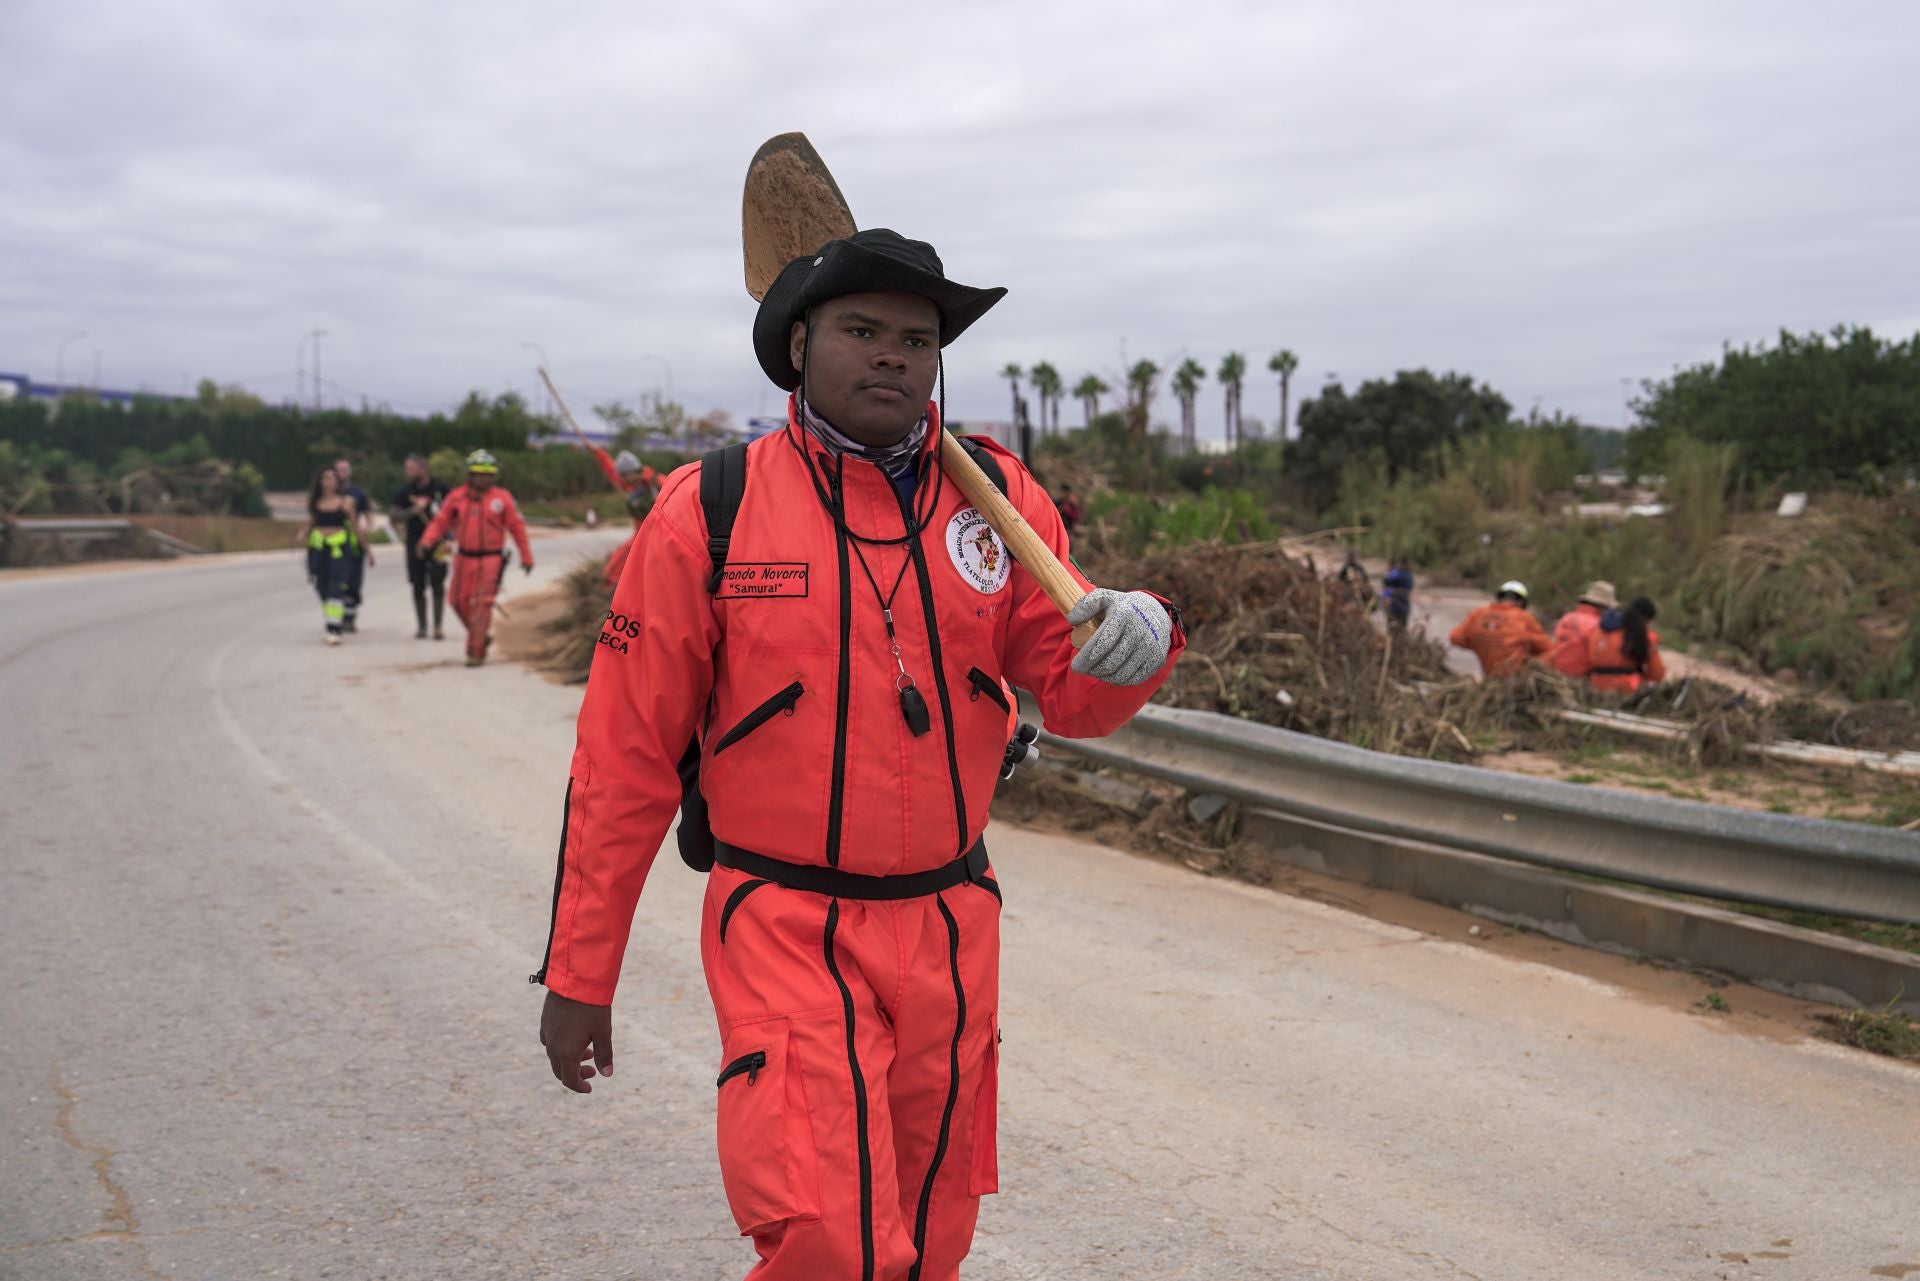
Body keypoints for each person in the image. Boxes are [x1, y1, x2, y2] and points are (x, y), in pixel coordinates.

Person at [532, 228, 1185, 1281]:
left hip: (951, 928)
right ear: (798, 347)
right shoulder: (712, 509)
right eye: (862, 330)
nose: (893, 357)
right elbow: (625, 762)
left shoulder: (998, 503)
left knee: (932, 1244)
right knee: (829, 1241)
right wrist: (580, 970)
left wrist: (1133, 649)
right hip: (783, 922)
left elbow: (1066, 695)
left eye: (918, 340)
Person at [416, 450, 533, 667]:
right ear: (470, 474)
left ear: (493, 476)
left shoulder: (502, 498)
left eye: (487, 474)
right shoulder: (457, 497)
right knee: (457, 601)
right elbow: (440, 521)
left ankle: (475, 651)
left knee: (482, 605)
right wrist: (426, 542)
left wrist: (526, 556)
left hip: (491, 559)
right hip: (463, 558)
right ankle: (479, 634)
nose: (483, 478)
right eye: (478, 474)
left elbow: (517, 527)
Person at [293, 464, 372, 645]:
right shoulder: (316, 503)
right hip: (319, 548)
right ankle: (331, 619)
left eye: (332, 478)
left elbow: (355, 527)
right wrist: (302, 532)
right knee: (321, 586)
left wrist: (367, 550)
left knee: (336, 587)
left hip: (339, 549)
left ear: (338, 482)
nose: (329, 482)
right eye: (325, 478)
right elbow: (312, 521)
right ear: (320, 482)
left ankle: (334, 627)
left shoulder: (346, 503)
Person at [389, 454, 452, 640]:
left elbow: (455, 513)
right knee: (417, 583)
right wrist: (412, 511)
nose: (407, 472)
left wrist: (450, 537)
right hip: (414, 543)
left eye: (411, 468)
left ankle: (438, 626)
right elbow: (394, 514)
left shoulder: (440, 489)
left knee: (437, 580)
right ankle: (422, 626)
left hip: (439, 542)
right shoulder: (405, 491)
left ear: (423, 469)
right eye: (406, 468)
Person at [1449, 579, 1551, 677]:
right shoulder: (1523, 617)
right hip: (1518, 681)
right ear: (1522, 602)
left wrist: (1481, 643)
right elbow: (1549, 649)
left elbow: (1455, 637)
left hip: (1490, 678)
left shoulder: (1478, 613)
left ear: (1499, 598)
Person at [1587, 596, 1667, 694]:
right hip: (1626, 688)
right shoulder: (1643, 637)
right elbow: (1657, 675)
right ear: (1646, 619)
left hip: (1595, 686)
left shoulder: (1598, 631)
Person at [332, 457, 374, 633]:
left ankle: (350, 617)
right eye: (338, 470)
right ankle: (337, 616)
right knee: (336, 580)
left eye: (345, 469)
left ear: (350, 472)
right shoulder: (328, 492)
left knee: (354, 580)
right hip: (334, 543)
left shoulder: (358, 493)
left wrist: (367, 528)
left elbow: (368, 514)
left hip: (354, 542)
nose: (342, 473)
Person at [1550, 580, 1617, 679]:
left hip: (1557, 675)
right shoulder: (1598, 626)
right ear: (1602, 606)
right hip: (1582, 678)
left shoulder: (1566, 618)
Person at [1380, 560, 1414, 633]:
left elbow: (1387, 581)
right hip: (1405, 605)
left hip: (1395, 605)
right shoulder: (1409, 574)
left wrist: (1386, 574)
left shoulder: (1397, 574)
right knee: (1402, 627)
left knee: (1392, 628)